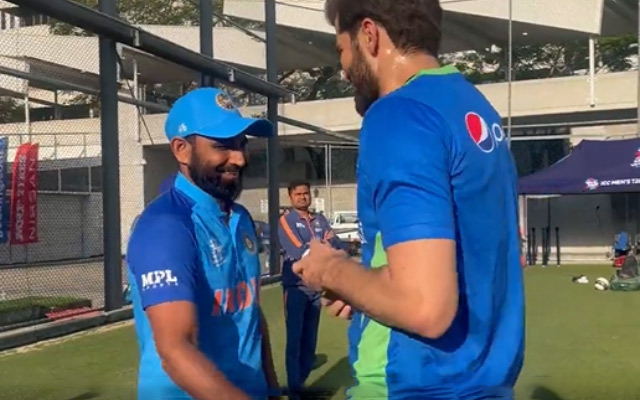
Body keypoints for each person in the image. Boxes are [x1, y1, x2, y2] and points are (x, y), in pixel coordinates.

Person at [293, 0, 525, 399]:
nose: (344, 68)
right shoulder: (474, 107)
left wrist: (328, 270)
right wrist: (360, 285)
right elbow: (453, 257)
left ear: (369, 34)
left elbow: (424, 306)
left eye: (342, 51)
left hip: (414, 385)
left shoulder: (399, 115)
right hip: (483, 382)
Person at [126, 87, 279, 400]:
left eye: (241, 144)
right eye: (222, 146)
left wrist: (272, 389)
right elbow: (175, 350)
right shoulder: (165, 227)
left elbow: (250, 313)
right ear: (182, 150)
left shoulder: (240, 218)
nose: (238, 158)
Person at [278, 181, 343, 396]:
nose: (303, 197)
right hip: (296, 288)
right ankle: (295, 391)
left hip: (316, 289)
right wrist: (322, 246)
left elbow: (336, 243)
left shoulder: (320, 219)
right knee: (294, 340)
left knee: (309, 342)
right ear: (290, 197)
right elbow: (298, 251)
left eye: (306, 193)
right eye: (298, 194)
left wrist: (322, 246)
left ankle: (301, 383)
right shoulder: (286, 221)